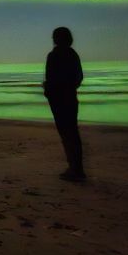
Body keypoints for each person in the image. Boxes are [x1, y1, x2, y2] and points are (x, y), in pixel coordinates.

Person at [43, 26, 86, 181]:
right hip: (70, 98)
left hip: (58, 99)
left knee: (66, 133)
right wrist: (70, 88)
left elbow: (50, 79)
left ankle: (74, 168)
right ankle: (77, 168)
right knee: (72, 133)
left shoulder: (54, 55)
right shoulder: (72, 54)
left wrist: (49, 91)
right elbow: (79, 77)